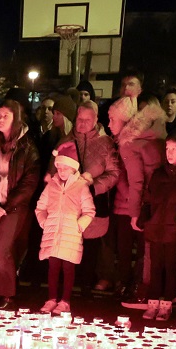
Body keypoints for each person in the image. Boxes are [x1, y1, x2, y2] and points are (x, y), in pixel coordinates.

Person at [108, 87, 166, 305]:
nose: (109, 124)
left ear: (124, 121)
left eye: (112, 119)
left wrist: (134, 213)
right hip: (159, 198)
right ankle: (146, 290)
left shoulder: (130, 144)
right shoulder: (150, 134)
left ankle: (143, 292)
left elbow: (137, 181)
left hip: (147, 202)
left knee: (145, 250)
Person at [0, 100, 40, 310]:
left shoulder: (27, 148)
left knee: (2, 250)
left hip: (15, 208)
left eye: (5, 116)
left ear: (15, 118)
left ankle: (8, 294)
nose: (0, 119)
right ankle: (1, 292)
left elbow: (29, 183)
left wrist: (5, 207)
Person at [138, 130, 176, 319]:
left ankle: (167, 303)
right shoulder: (158, 173)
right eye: (167, 148)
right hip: (156, 227)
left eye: (175, 148)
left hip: (174, 229)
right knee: (155, 265)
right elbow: (148, 199)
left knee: (171, 266)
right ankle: (153, 301)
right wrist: (145, 217)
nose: (170, 153)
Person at [61, 103, 120, 294]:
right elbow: (54, 168)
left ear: (95, 120)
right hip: (69, 203)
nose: (83, 123)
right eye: (80, 119)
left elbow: (114, 172)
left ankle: (87, 284)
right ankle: (70, 285)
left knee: (91, 246)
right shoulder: (66, 141)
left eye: (87, 120)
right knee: (70, 243)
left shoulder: (105, 143)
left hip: (95, 200)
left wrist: (94, 186)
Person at [35, 147, 96, 314]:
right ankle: (51, 298)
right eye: (58, 168)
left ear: (73, 169)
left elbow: (89, 211)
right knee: (53, 267)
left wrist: (79, 225)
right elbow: (40, 207)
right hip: (53, 233)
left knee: (68, 268)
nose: (61, 172)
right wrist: (44, 222)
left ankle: (65, 301)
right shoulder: (51, 186)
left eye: (64, 168)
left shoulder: (81, 187)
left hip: (70, 234)